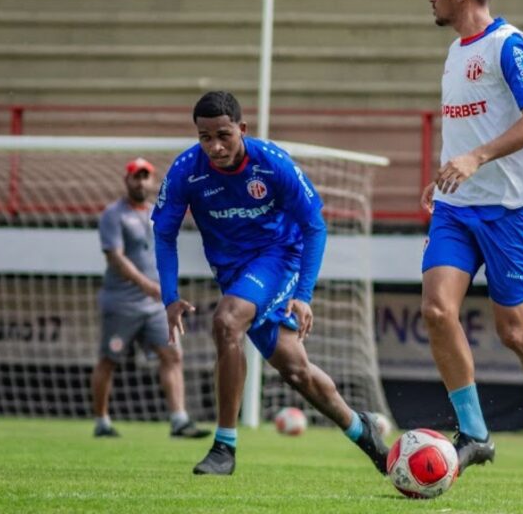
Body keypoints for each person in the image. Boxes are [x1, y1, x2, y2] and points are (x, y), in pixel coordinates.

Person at [152, 90, 388, 476]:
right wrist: (170, 297)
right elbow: (164, 234)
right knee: (296, 372)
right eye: (205, 137)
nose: (214, 146)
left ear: (242, 129)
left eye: (224, 135)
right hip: (234, 273)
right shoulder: (186, 171)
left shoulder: (272, 163)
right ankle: (362, 432)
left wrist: (304, 295)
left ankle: (224, 448)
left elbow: (314, 227)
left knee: (227, 321)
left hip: (278, 256)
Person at [422, 0, 523, 486]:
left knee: (515, 331)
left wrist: (476, 159)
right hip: (458, 208)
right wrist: (446, 172)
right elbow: (465, 130)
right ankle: (475, 433)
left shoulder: (509, 45)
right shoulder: (453, 54)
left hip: (514, 207)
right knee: (438, 311)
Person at [92, 157, 211, 440]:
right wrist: (148, 285)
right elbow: (116, 257)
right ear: (127, 180)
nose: (141, 181)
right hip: (122, 302)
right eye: (136, 176)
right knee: (109, 359)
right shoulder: (113, 215)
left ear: (152, 181)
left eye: (146, 177)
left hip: (155, 304)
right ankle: (102, 420)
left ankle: (179, 420)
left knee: (172, 355)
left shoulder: (156, 213)